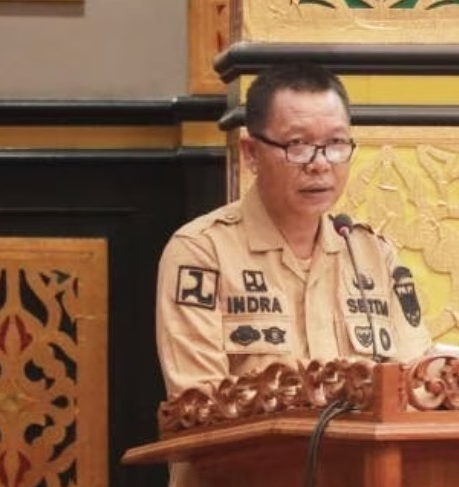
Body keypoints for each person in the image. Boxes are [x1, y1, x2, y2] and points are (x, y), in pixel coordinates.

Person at [154, 62, 432, 485]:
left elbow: (415, 384)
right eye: (298, 146)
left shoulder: (371, 253)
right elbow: (198, 406)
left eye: (336, 144)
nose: (320, 164)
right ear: (251, 153)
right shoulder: (202, 252)